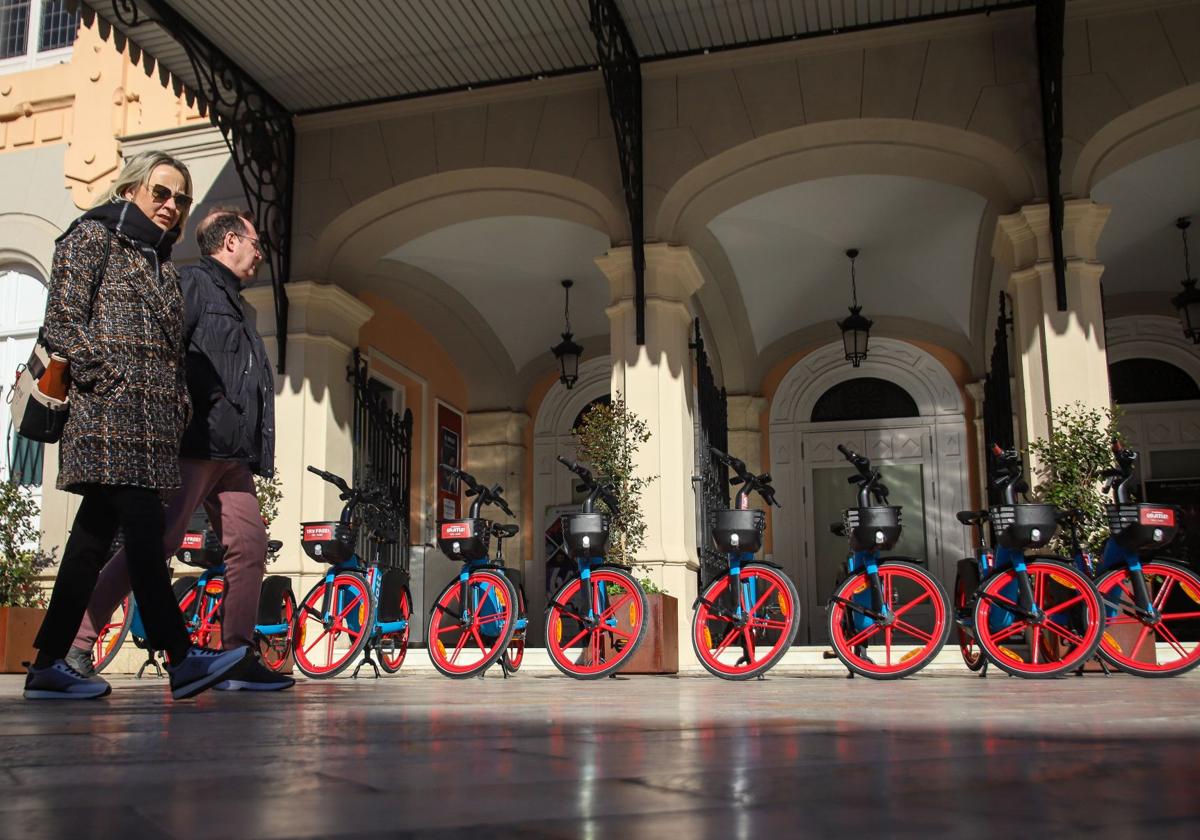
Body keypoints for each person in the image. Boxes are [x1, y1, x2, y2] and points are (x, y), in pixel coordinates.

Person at [25, 151, 251, 700]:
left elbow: (171, 352)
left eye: (181, 198)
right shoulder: (92, 236)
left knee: (88, 544)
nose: (171, 205)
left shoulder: (160, 264)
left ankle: (48, 666)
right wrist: (113, 378)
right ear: (131, 190)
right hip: (108, 416)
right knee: (147, 538)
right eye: (161, 192)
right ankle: (181, 659)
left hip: (150, 425)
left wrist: (175, 403)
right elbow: (62, 322)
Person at [66, 207, 290, 692]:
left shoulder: (239, 305)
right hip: (194, 441)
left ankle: (235, 655)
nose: (259, 254)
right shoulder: (190, 284)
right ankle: (77, 644)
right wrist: (196, 405)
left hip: (233, 451)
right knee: (158, 543)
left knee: (249, 546)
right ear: (230, 242)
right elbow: (168, 352)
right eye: (255, 243)